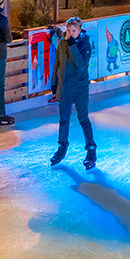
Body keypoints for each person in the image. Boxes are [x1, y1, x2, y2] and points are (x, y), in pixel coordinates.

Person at [50, 16, 97, 170]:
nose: (70, 33)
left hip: (80, 88)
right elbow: (57, 64)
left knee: (83, 118)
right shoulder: (63, 43)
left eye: (74, 31)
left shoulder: (85, 44)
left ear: (79, 30)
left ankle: (91, 149)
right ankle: (62, 147)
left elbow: (81, 65)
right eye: (68, 30)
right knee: (63, 119)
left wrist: (72, 45)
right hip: (65, 88)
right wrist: (54, 84)